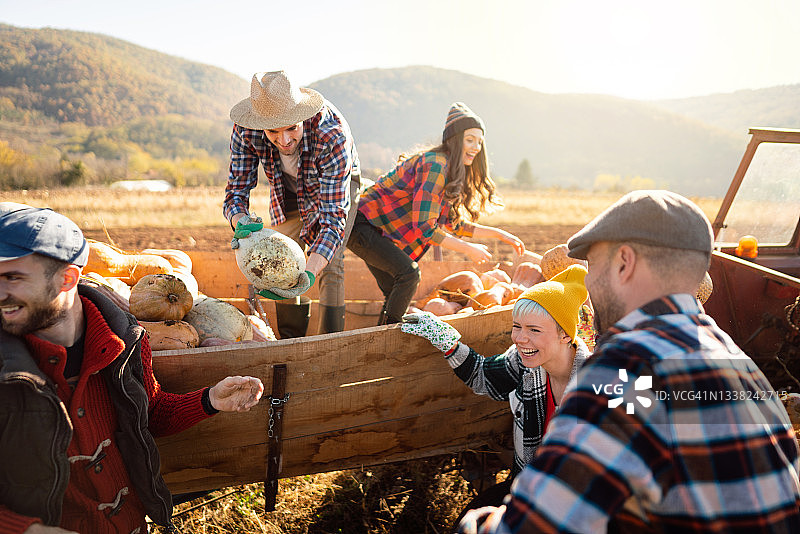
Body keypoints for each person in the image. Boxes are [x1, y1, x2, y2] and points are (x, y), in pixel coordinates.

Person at [458, 190, 800, 533]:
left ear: (624, 263)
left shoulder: (624, 371)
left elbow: (531, 527)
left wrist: (477, 523)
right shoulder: (742, 367)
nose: (588, 285)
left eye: (592, 267)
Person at [0, 203, 264, 534]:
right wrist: (26, 530)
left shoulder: (124, 339)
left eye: (13, 277)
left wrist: (209, 399)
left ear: (67, 278)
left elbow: (148, 412)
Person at [401, 264, 594, 514]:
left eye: (534, 330)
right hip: (526, 485)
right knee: (470, 517)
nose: (520, 338)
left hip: (576, 502)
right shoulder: (527, 363)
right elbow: (484, 376)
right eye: (517, 326)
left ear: (565, 335)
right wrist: (446, 341)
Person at [347, 102, 525, 325]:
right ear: (455, 140)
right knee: (409, 275)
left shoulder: (447, 169)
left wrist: (499, 235)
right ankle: (389, 338)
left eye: (479, 142)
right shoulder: (436, 165)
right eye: (470, 140)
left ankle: (384, 338)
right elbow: (424, 228)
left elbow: (455, 224)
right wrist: (468, 249)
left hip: (374, 229)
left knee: (396, 288)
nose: (476, 147)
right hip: (363, 224)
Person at [224, 70, 361, 336]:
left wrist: (308, 275)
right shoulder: (245, 130)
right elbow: (235, 194)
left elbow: (333, 222)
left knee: (331, 264)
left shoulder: (331, 134)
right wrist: (239, 222)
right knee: (281, 259)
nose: (284, 140)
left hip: (334, 182)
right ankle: (291, 342)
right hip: (286, 185)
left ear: (303, 117)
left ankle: (330, 346)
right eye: (273, 131)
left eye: (291, 128)